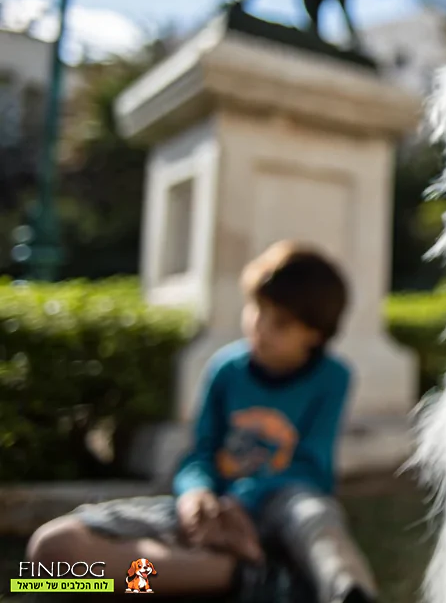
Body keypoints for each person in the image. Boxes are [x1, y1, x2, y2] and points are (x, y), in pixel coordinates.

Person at [26, 241, 378, 603]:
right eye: (256, 308)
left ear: (316, 333)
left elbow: (311, 468)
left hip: (283, 507)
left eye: (281, 322)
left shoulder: (332, 377)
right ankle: (239, 573)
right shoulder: (226, 369)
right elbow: (201, 452)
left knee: (316, 517)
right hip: (210, 511)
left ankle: (347, 592)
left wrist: (242, 503)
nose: (259, 326)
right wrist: (196, 496)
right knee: (50, 560)